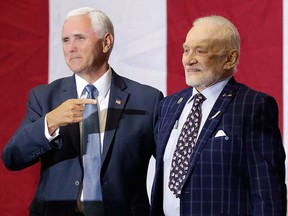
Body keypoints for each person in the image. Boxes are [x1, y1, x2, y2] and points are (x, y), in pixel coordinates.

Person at [2, 7, 163, 216]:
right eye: (66, 40)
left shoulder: (147, 100)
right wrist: (49, 123)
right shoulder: (44, 98)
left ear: (106, 42)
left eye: (79, 38)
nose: (71, 48)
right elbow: (12, 158)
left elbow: (169, 166)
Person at [151, 15, 286, 216]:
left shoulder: (253, 106)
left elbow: (267, 192)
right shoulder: (169, 105)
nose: (189, 59)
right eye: (186, 50)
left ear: (230, 58)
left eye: (201, 51)